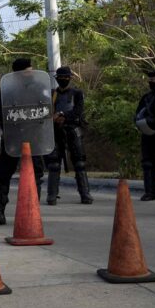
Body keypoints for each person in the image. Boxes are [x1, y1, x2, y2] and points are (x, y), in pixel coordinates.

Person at [0, 58, 46, 226]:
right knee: (2, 176)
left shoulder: (39, 88)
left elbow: (46, 110)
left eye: (31, 70)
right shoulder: (7, 90)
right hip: (12, 137)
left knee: (36, 176)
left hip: (34, 137)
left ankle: (32, 215)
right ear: (18, 73)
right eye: (27, 71)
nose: (30, 73)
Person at [44, 66, 93, 205]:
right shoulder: (52, 94)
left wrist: (63, 115)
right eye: (61, 78)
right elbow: (46, 111)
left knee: (79, 163)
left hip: (73, 129)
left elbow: (78, 111)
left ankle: (85, 194)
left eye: (66, 77)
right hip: (56, 131)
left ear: (70, 78)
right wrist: (54, 118)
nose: (63, 80)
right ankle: (52, 195)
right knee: (53, 164)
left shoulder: (77, 93)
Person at [137, 69, 155, 201]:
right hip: (149, 133)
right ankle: (150, 192)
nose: (150, 82)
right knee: (148, 163)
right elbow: (138, 115)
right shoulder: (146, 98)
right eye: (149, 80)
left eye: (153, 79)